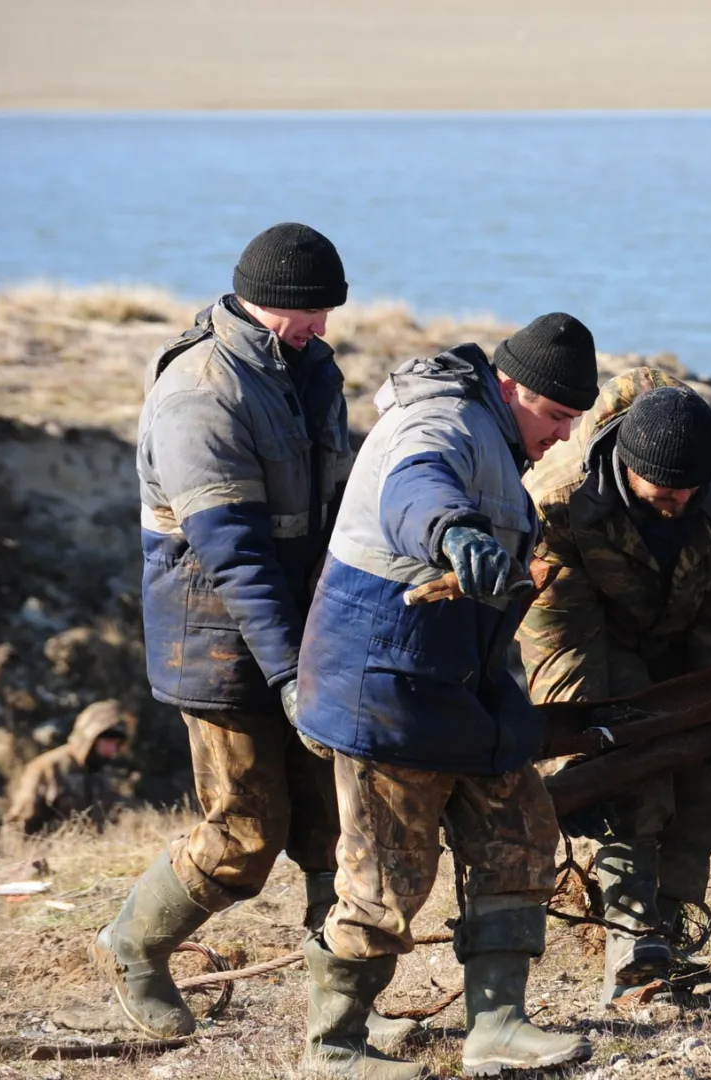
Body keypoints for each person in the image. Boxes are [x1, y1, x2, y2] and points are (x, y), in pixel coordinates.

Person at [92, 224, 419, 1047]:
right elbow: (233, 555)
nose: (317, 328)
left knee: (331, 830)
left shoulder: (308, 368)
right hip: (215, 639)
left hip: (301, 629)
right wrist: (287, 675)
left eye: (324, 313)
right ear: (253, 299)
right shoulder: (201, 389)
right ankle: (133, 948)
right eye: (301, 313)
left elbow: (335, 505)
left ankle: (339, 1019)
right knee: (242, 836)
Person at [292, 314, 601, 1078]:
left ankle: (497, 1026)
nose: (562, 437)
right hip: (387, 689)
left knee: (520, 835)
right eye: (556, 416)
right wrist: (452, 532)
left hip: (459, 685)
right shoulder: (441, 423)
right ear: (508, 387)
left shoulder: (493, 435)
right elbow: (415, 486)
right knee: (384, 885)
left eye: (572, 420)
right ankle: (332, 1049)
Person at [517, 369, 711, 1001]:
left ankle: (670, 920)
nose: (680, 502)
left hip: (687, 635)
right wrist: (586, 742)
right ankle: (631, 936)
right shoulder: (557, 499)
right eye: (664, 491)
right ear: (624, 467)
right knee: (630, 767)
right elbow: (558, 636)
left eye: (691, 490)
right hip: (598, 639)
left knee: (698, 762)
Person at [5, 700, 131, 838]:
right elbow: (17, 827)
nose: (112, 749)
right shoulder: (46, 768)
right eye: (107, 740)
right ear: (89, 737)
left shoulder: (102, 773)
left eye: (117, 743)